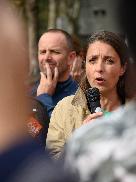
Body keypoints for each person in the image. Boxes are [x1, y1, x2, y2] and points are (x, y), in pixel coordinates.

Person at [46, 30, 131, 159]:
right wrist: (81, 140)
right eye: (93, 60)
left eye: (109, 61)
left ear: (123, 68)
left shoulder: (132, 110)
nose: (99, 68)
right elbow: (51, 163)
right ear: (85, 65)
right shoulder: (65, 109)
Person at [31, 29, 78, 117]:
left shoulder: (80, 97)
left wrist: (44, 98)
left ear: (71, 58)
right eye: (43, 52)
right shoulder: (27, 94)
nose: (46, 57)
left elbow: (62, 130)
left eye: (55, 52)